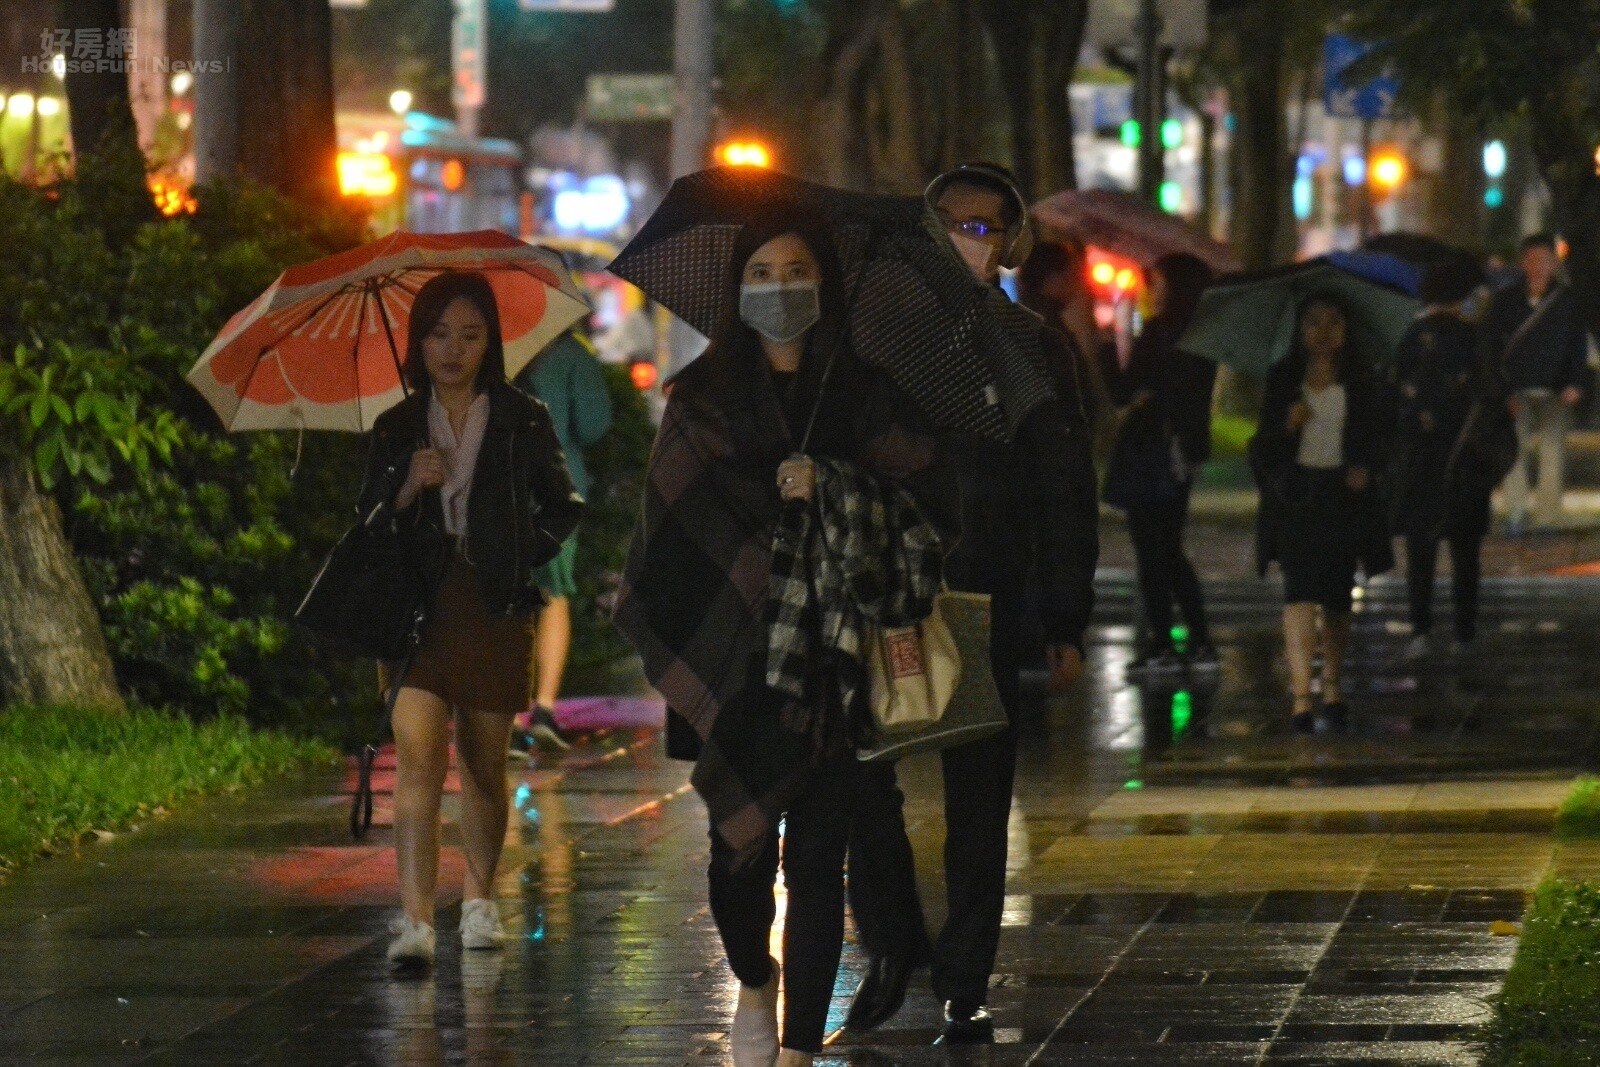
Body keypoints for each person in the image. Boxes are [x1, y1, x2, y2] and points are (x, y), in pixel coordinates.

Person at [614, 219, 934, 1067]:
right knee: (738, 856)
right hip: (733, 660)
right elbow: (668, 538)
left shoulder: (867, 395)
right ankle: (754, 975)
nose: (780, 284)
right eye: (761, 269)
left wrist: (832, 484)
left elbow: (922, 509)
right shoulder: (701, 401)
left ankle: (797, 1047)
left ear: (826, 283)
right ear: (736, 287)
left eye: (797, 268)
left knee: (822, 852)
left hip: (837, 659)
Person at [843, 163, 1099, 1045]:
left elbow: (1066, 485)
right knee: (861, 775)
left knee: (980, 798)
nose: (966, 238)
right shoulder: (877, 338)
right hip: (881, 592)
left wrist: (1065, 614)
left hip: (989, 588)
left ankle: (964, 973)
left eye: (985, 226)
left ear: (1012, 241)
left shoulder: (1031, 346)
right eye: (950, 223)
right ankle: (891, 941)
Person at [361, 272, 584, 969]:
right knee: (419, 759)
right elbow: (364, 522)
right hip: (418, 607)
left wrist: (517, 554)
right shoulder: (397, 426)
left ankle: (481, 898)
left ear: (491, 341)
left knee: (484, 764)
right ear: (418, 341)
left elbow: (564, 505)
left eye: (469, 334)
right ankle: (416, 920)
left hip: (492, 604)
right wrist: (405, 488)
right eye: (437, 334)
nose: (452, 349)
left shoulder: (522, 417)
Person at [1251, 295, 1392, 735]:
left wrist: (1365, 470)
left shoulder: (1362, 380)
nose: (1324, 332)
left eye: (1334, 322)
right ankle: (1300, 696)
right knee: (1298, 592)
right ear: (1299, 330)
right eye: (1313, 322)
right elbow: (1261, 451)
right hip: (1297, 498)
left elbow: (1382, 438)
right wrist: (1286, 426)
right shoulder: (1284, 380)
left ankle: (1331, 684)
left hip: (1342, 500)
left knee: (1336, 594)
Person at [1100, 253, 1218, 674]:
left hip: (1151, 453)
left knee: (1152, 551)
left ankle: (1164, 642)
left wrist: (1105, 343)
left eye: (1161, 281)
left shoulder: (1159, 332)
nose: (1155, 288)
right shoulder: (1201, 337)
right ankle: (1198, 640)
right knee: (1168, 550)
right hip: (1179, 458)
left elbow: (1125, 389)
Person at [510, 323, 614, 752]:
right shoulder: (571, 355)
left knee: (508, 595)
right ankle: (545, 709)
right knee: (554, 593)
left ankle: (509, 713)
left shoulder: (497, 348)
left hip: (504, 484)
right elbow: (593, 425)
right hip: (558, 485)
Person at [1394, 259, 1497, 659]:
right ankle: (1464, 631)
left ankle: (1420, 627)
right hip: (1465, 459)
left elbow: (1397, 396)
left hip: (1420, 459)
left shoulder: (1412, 337)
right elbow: (1489, 392)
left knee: (1420, 550)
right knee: (1465, 551)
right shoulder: (1474, 337)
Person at [1485, 233, 1591, 531]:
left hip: (1554, 388)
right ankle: (1516, 512)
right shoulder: (1506, 301)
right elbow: (1493, 347)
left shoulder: (1566, 300)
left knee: (1553, 450)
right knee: (1512, 449)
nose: (1539, 266)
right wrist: (1502, 390)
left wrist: (1575, 382)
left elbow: (1576, 344)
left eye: (1545, 260)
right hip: (1517, 388)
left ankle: (1547, 517)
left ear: (1554, 263)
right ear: (1523, 262)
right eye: (1532, 260)